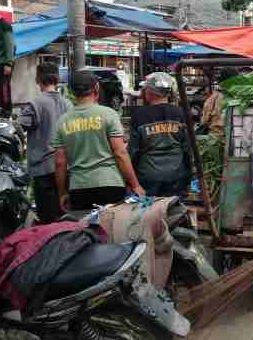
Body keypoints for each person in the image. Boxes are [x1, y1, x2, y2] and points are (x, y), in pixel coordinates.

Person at [53, 70, 144, 212]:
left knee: (85, 232)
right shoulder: (109, 115)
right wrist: (135, 184)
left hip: (78, 187)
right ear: (96, 88)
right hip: (110, 184)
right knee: (111, 231)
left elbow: (60, 163)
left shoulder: (62, 121)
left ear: (71, 92)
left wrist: (62, 194)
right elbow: (120, 153)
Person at [17, 62, 71, 224]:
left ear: (37, 79)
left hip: (43, 170)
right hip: (66, 168)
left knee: (47, 219)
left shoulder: (35, 104)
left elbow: (18, 128)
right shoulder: (68, 104)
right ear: (57, 79)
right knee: (64, 216)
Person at [128, 72, 192, 198]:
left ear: (149, 92)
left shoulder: (139, 116)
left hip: (148, 177)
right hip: (176, 176)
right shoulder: (181, 114)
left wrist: (132, 182)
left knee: (149, 214)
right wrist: (188, 175)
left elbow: (133, 151)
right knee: (173, 212)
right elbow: (188, 149)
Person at [201, 67, 238, 138]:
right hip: (237, 138)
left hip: (217, 138)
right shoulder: (242, 96)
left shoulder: (214, 98)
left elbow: (205, 121)